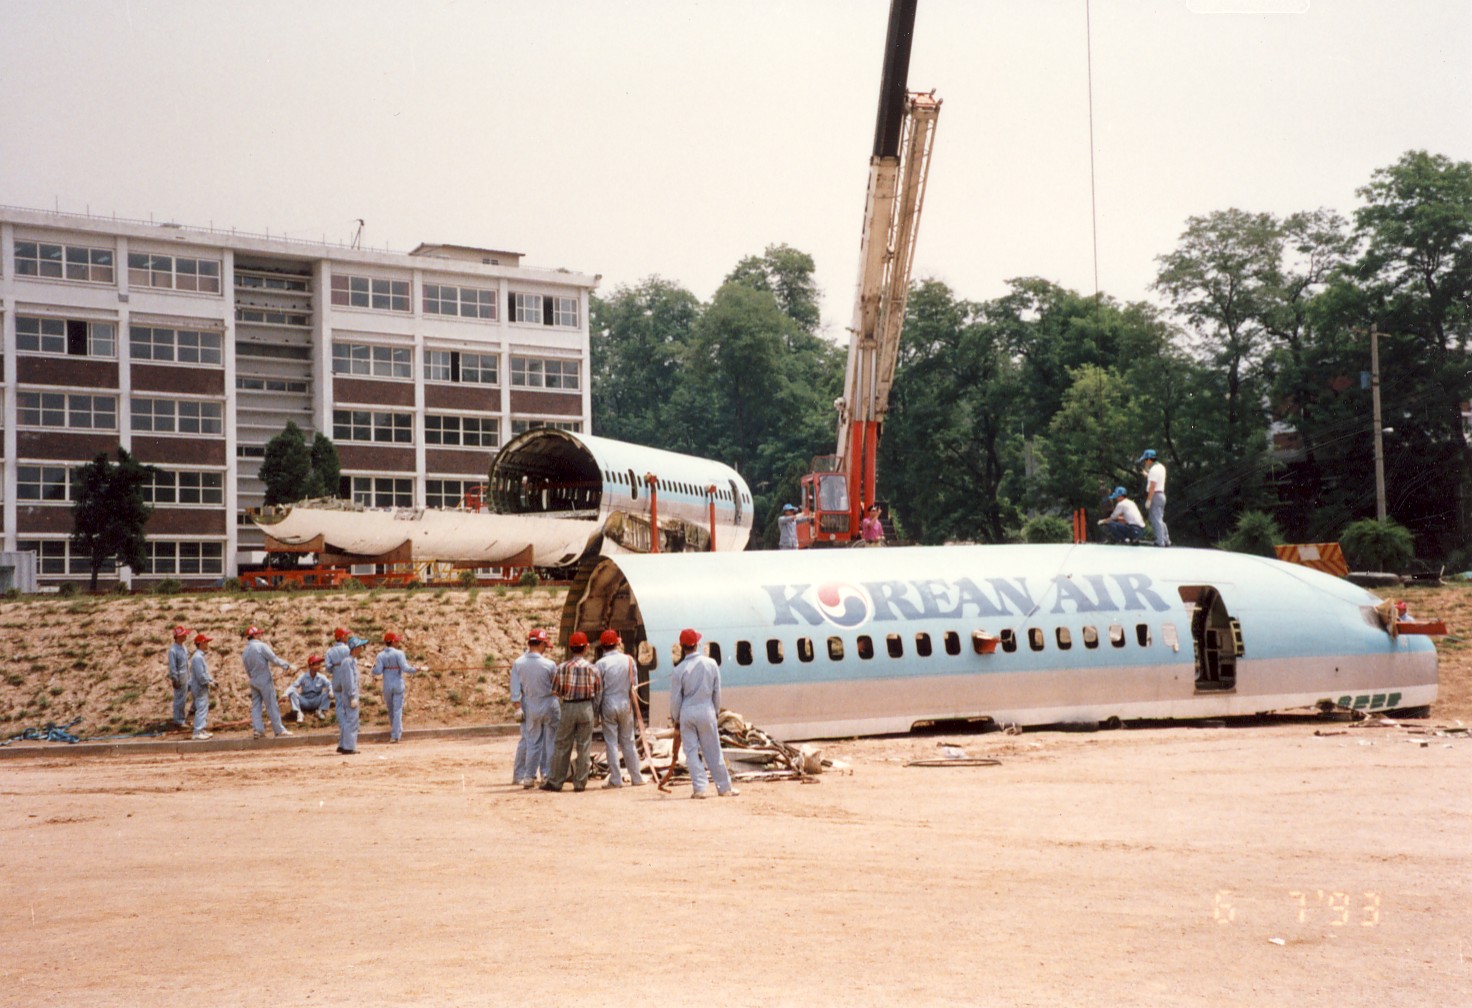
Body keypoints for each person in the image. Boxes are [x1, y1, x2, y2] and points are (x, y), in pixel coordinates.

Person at [670, 628, 738, 799]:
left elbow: (676, 699)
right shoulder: (711, 664)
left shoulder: (679, 670)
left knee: (691, 752)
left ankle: (699, 788)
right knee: (713, 751)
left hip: (687, 713)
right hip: (706, 710)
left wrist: (676, 718)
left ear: (681, 646)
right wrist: (715, 712)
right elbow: (717, 692)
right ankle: (724, 788)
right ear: (698, 644)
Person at [542, 632, 602, 793]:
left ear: (570, 648)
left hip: (568, 707)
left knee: (562, 744)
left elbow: (555, 691)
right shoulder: (593, 669)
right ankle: (580, 783)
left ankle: (555, 781)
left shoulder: (561, 668)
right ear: (586, 648)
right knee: (584, 746)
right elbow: (597, 691)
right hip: (586, 707)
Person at [594, 629, 645, 788]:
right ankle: (636, 777)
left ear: (602, 646)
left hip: (608, 703)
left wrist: (596, 712)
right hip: (626, 703)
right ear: (618, 643)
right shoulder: (629, 660)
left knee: (611, 743)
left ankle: (615, 779)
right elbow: (634, 685)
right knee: (628, 741)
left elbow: (599, 691)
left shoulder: (600, 664)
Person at [516, 629, 560, 788]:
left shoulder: (519, 663)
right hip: (549, 703)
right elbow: (556, 687)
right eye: (544, 645)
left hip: (530, 704)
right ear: (541, 644)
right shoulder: (549, 664)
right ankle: (547, 774)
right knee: (550, 741)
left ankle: (528, 776)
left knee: (533, 741)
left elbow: (515, 689)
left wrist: (517, 705)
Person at [242, 625, 293, 739]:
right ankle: (278, 730)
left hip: (253, 680)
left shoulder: (245, 651)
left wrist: (252, 678)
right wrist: (286, 665)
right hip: (264, 679)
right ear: (254, 635)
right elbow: (273, 659)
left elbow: (247, 668)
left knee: (256, 706)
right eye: (259, 633)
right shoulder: (261, 646)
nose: (261, 635)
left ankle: (258, 730)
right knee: (271, 704)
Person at [370, 631, 418, 744]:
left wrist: (371, 668)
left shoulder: (380, 655)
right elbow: (405, 668)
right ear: (392, 642)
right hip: (397, 683)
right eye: (396, 641)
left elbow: (377, 671)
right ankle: (395, 735)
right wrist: (416, 669)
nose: (398, 642)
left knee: (391, 710)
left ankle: (395, 731)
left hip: (387, 685)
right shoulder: (399, 653)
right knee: (397, 710)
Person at [331, 636, 366, 754]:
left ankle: (343, 744)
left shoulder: (350, 661)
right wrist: (352, 696)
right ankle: (349, 746)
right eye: (360, 646)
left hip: (349, 694)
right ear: (354, 648)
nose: (361, 649)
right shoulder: (348, 662)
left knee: (347, 720)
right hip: (350, 695)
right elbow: (349, 680)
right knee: (351, 720)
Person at [283, 654, 334, 722]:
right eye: (317, 664)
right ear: (311, 666)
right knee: (293, 693)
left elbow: (329, 684)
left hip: (316, 700)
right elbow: (293, 686)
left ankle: (320, 711)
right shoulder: (303, 677)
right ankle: (299, 713)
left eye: (319, 664)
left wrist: (331, 690)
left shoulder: (321, 677)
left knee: (328, 692)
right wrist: (285, 694)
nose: (319, 666)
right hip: (305, 701)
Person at [1138, 449, 1171, 547]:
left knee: (1155, 519)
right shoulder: (1161, 467)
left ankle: (1160, 541)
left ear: (1149, 459)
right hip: (1161, 495)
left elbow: (1152, 485)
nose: (1145, 462)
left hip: (1155, 495)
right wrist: (1146, 475)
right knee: (1159, 518)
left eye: (1145, 460)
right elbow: (1155, 479)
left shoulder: (1153, 469)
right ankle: (1166, 539)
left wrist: (1149, 500)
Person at [188, 633, 215, 740]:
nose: (207, 644)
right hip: (200, 687)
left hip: (199, 686)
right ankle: (198, 731)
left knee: (203, 708)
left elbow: (204, 673)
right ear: (201, 643)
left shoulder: (199, 656)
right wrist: (209, 683)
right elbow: (201, 675)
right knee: (201, 709)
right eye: (205, 642)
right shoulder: (198, 657)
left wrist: (211, 680)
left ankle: (201, 729)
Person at [167, 625, 191, 728]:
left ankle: (182, 718)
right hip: (179, 676)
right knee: (179, 699)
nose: (184, 637)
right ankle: (178, 720)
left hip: (186, 674)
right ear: (177, 637)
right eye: (182, 635)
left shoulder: (184, 648)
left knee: (184, 698)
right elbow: (173, 666)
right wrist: (175, 678)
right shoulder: (173, 651)